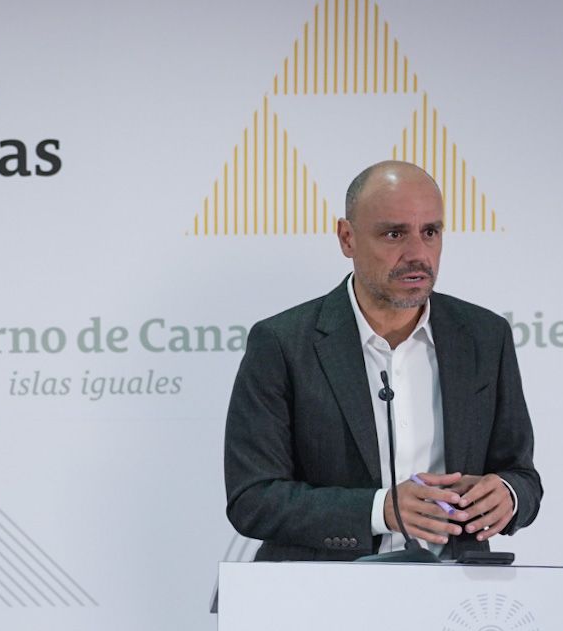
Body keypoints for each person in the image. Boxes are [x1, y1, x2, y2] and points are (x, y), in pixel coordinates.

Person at [223, 160, 541, 561]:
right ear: (347, 238)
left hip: (452, 587)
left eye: (430, 232)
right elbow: (253, 498)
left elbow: (522, 475)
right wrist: (379, 510)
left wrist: (509, 495)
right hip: (322, 587)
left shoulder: (485, 337)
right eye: (394, 234)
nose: (418, 254)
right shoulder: (282, 343)